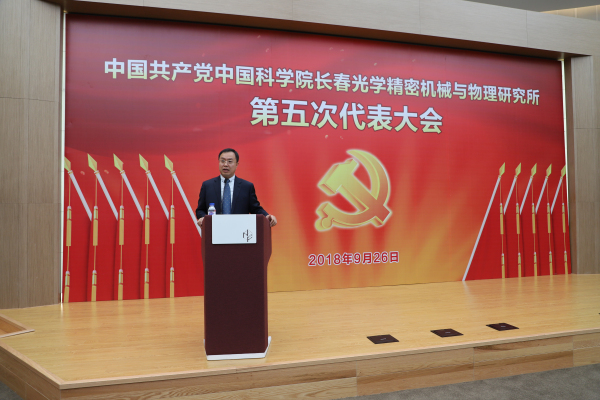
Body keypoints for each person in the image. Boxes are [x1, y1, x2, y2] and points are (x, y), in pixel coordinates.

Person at [196, 148, 277, 228]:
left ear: (237, 164)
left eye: (230, 161)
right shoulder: (207, 185)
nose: (225, 164)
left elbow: (255, 208)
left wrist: (267, 216)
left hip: (239, 230)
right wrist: (203, 218)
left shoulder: (246, 186)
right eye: (222, 161)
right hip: (214, 230)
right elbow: (200, 210)